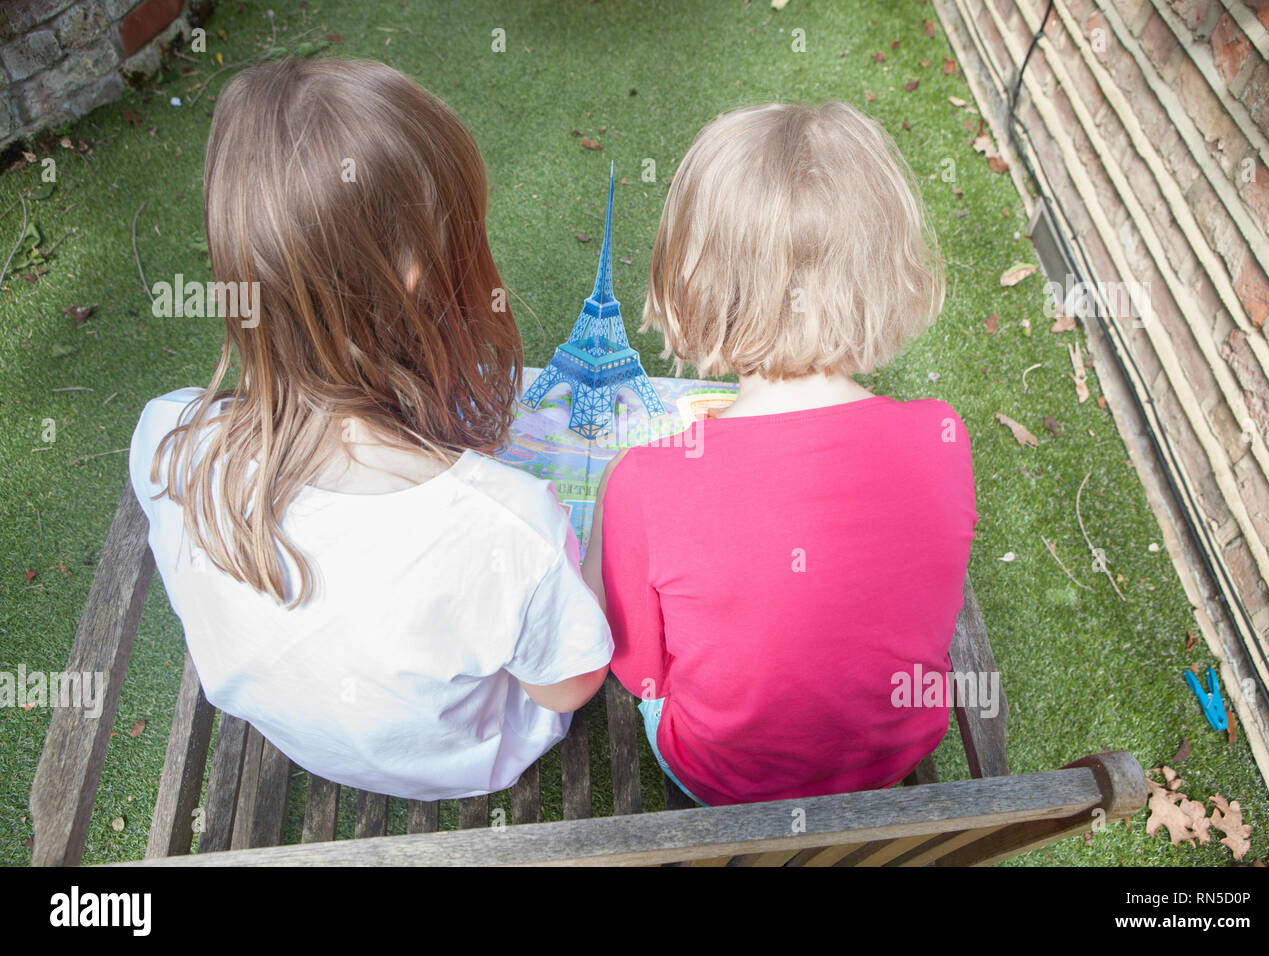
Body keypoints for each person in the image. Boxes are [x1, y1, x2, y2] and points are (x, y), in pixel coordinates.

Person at [130, 58, 611, 802]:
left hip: (304, 733)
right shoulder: (510, 529)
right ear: (417, 271)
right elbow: (567, 688)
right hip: (465, 759)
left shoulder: (168, 438)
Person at [583, 102, 977, 807]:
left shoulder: (643, 481)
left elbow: (640, 671)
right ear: (885, 267)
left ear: (691, 277)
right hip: (895, 751)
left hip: (718, 778)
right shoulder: (942, 432)